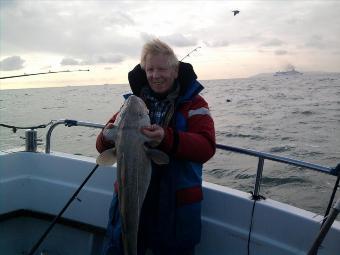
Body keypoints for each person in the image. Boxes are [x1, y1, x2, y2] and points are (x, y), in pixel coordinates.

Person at [96, 39, 216, 255]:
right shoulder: (132, 104)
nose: (155, 75)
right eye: (150, 69)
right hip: (129, 199)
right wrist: (107, 135)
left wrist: (167, 139)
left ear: (176, 70)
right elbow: (101, 145)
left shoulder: (196, 104)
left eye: (162, 68)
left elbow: (206, 147)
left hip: (173, 208)